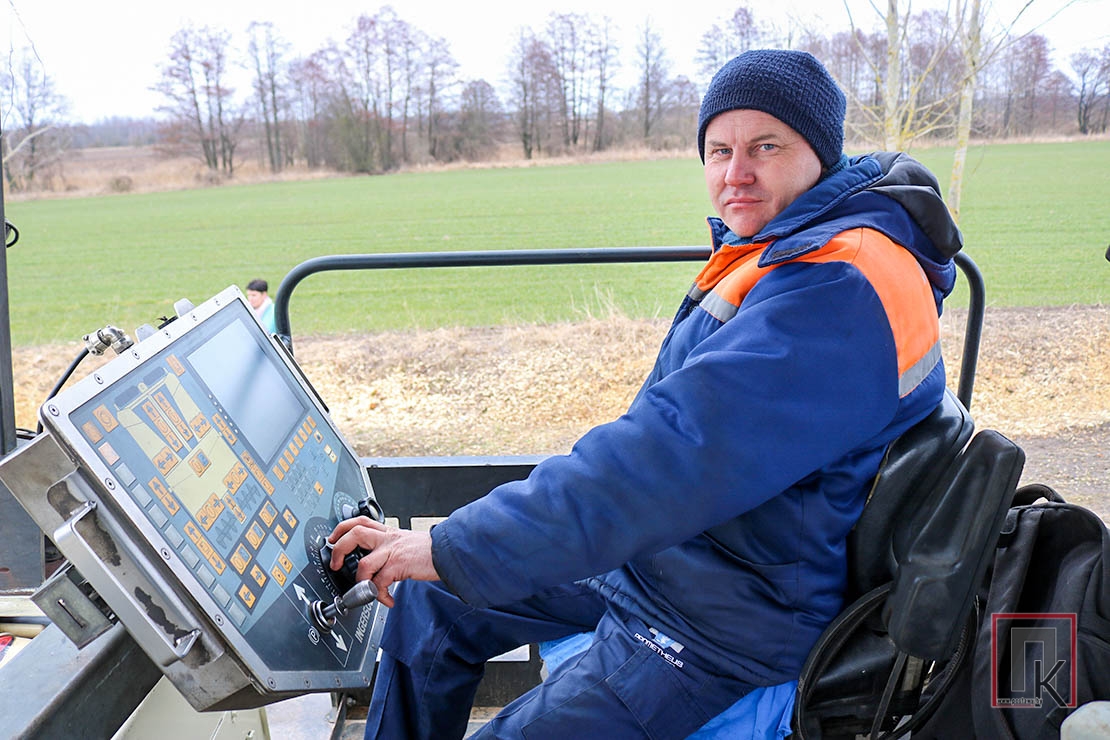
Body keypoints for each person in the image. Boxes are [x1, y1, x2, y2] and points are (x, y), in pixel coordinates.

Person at [329, 49, 963, 739]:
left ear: (821, 153)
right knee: (428, 602)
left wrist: (453, 545)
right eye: (719, 151)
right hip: (683, 555)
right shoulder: (794, 243)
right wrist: (445, 553)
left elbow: (661, 462)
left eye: (766, 146)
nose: (736, 173)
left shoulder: (835, 289)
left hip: (727, 617)